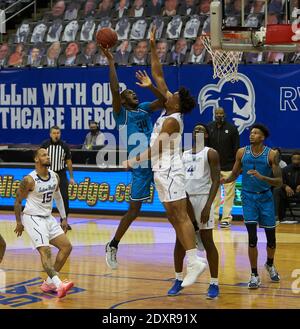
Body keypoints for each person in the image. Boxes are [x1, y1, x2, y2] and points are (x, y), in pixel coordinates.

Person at [124, 27, 207, 288]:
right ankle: (193, 258)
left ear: (177, 104)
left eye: (173, 96)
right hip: (163, 171)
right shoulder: (169, 108)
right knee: (173, 216)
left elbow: (157, 149)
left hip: (170, 169)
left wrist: (134, 160)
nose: (168, 94)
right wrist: (152, 45)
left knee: (179, 215)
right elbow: (158, 74)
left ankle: (194, 261)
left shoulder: (173, 121)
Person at [101, 46, 165, 270]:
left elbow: (166, 101)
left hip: (157, 161)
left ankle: (194, 232)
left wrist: (152, 87)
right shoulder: (122, 113)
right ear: (123, 99)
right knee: (134, 210)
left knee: (176, 202)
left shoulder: (145, 109)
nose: (134, 95)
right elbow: (114, 89)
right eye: (130, 93)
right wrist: (111, 63)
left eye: (136, 93)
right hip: (140, 166)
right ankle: (113, 244)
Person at [222, 124, 282, 288]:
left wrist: (262, 177)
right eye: (251, 132)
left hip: (265, 198)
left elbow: (279, 182)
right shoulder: (242, 152)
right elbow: (234, 174)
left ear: (262, 137)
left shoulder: (271, 154)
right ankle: (254, 274)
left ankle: (269, 264)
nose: (252, 135)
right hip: (248, 198)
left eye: (256, 133)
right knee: (252, 239)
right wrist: (224, 180)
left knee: (271, 239)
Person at [14, 148, 73, 298]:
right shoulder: (29, 180)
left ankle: (48, 283)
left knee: (66, 247)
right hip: (33, 218)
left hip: (48, 217)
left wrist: (64, 218)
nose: (48, 157)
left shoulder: (55, 176)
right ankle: (59, 285)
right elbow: (18, 201)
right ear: (36, 159)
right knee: (45, 251)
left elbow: (58, 198)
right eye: (44, 155)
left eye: (48, 154)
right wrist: (19, 222)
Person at [170, 123, 220, 299]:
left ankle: (214, 283)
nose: (198, 130)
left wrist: (208, 206)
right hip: (186, 200)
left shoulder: (210, 153)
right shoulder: (183, 154)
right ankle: (178, 280)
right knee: (180, 242)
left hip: (203, 199)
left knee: (208, 242)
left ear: (206, 135)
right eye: (196, 129)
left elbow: (216, 181)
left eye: (202, 129)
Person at [208, 107, 240, 228]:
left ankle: (226, 219)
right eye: (217, 113)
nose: (219, 115)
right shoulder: (209, 127)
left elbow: (236, 148)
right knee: (214, 194)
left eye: (221, 113)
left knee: (229, 194)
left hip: (229, 167)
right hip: (214, 168)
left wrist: (236, 167)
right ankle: (214, 217)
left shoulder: (232, 129)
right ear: (214, 115)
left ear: (224, 115)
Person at [41, 126, 75, 230]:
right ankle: (43, 220)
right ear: (50, 134)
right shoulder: (45, 145)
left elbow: (68, 161)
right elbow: (39, 160)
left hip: (61, 174)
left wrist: (71, 177)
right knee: (45, 197)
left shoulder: (64, 146)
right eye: (54, 133)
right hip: (48, 174)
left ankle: (64, 221)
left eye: (58, 133)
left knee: (64, 198)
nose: (56, 135)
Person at [276, 151, 300, 223]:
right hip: (288, 192)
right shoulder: (286, 169)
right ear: (291, 159)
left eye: (298, 159)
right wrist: (286, 186)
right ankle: (279, 217)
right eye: (294, 159)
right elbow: (280, 182)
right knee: (277, 190)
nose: (296, 161)